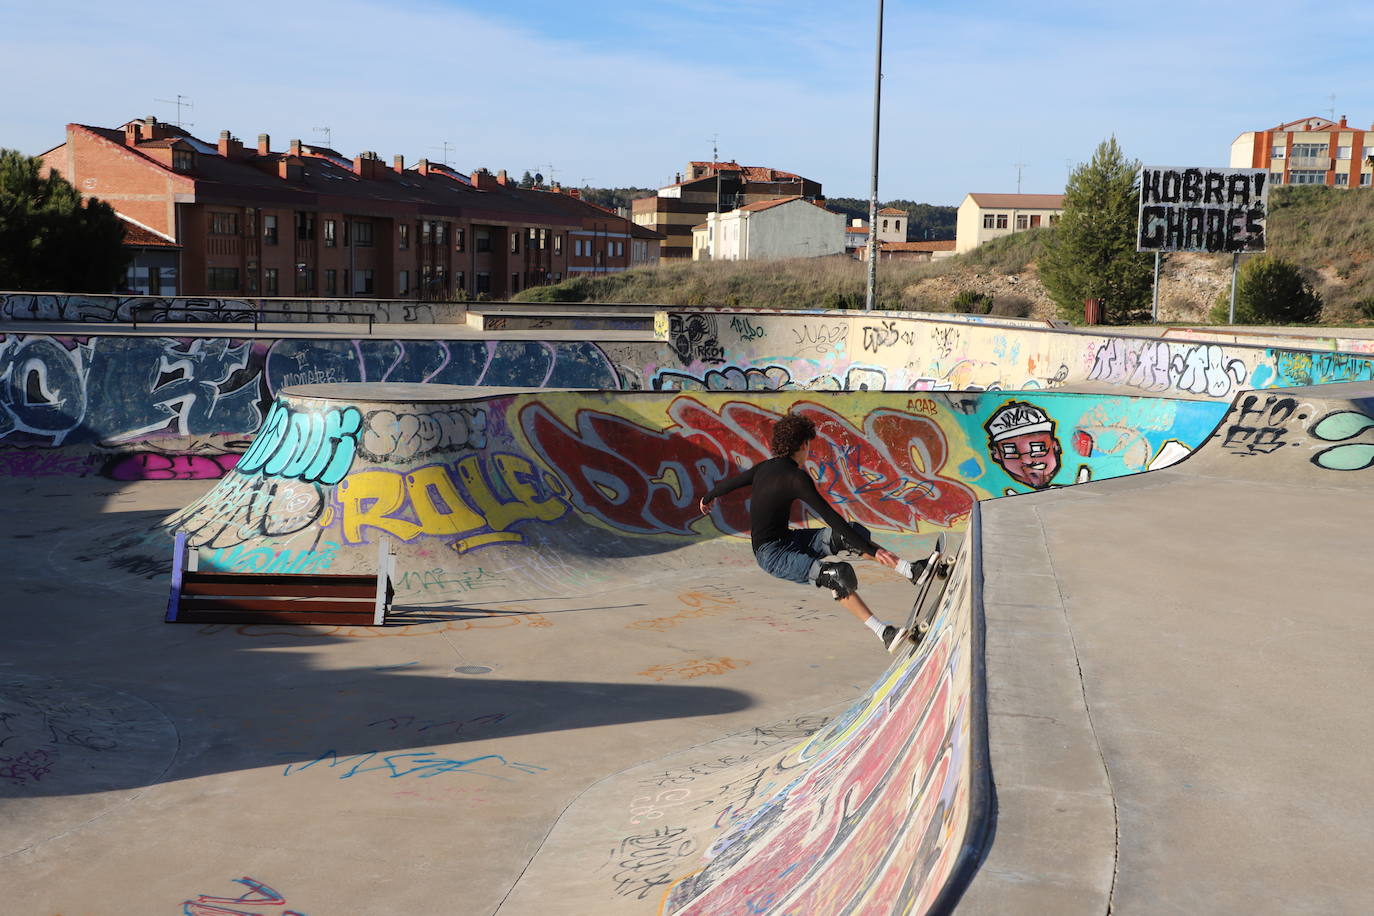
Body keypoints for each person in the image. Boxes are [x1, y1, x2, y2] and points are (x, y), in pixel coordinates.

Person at [698, 412, 935, 653]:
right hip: (772, 555)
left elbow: (733, 482)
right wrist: (871, 549)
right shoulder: (796, 477)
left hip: (788, 539)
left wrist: (708, 497)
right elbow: (830, 516)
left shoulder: (764, 468)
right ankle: (883, 632)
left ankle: (911, 570)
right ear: (803, 444)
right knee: (836, 574)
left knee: (848, 535)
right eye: (808, 445)